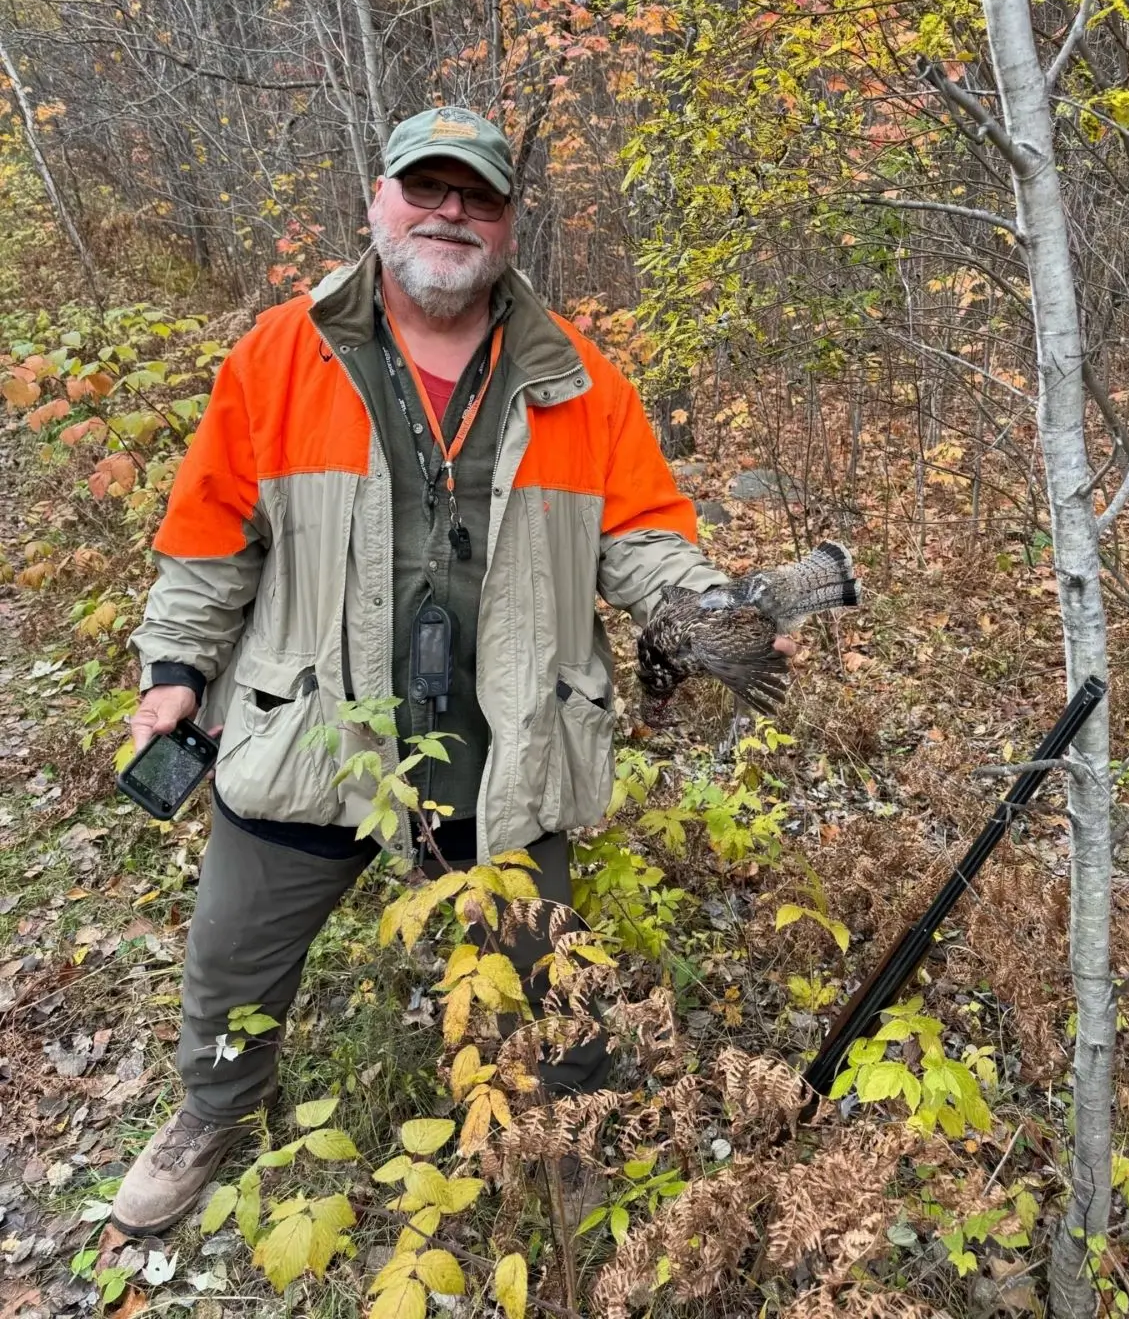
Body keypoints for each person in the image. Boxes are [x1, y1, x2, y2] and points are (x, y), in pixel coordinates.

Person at [112, 105, 795, 1236]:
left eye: (476, 195)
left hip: (508, 735)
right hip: (314, 724)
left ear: (510, 223)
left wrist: (708, 606)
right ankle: (211, 1111)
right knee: (234, 955)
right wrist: (177, 671)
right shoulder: (281, 356)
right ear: (377, 201)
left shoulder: (576, 377)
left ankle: (562, 1133)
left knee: (543, 969)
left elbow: (645, 536)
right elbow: (210, 537)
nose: (449, 213)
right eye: (426, 188)